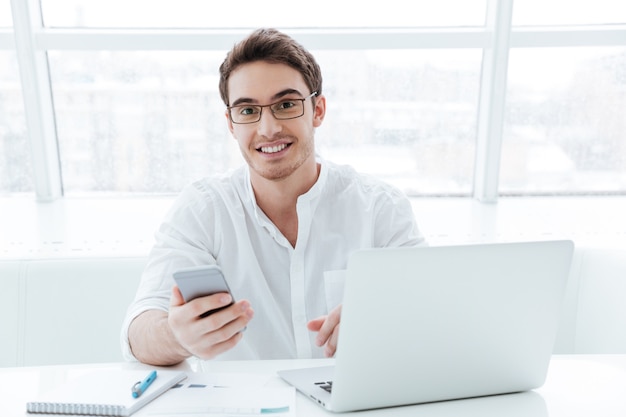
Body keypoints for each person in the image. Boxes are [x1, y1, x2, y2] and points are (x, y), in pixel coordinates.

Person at [121, 28, 425, 366]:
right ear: (231, 124)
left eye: (286, 105)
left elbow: (434, 313)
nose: (268, 129)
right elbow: (139, 332)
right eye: (248, 111)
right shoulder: (204, 210)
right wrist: (176, 337)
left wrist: (387, 320)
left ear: (318, 110)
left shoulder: (380, 210)